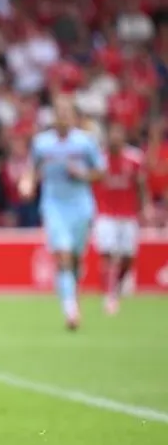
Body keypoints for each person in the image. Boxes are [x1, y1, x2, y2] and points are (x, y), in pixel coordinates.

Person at [19, 96, 105, 329]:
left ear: (74, 116)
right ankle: (70, 310)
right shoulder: (42, 143)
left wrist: (83, 175)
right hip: (54, 206)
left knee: (76, 259)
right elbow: (31, 170)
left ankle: (72, 294)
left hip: (81, 206)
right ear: (54, 116)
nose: (63, 116)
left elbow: (100, 171)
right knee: (64, 256)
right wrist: (27, 183)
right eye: (59, 112)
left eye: (67, 112)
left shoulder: (85, 142)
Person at [92, 123, 149, 315]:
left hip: (128, 215)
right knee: (107, 254)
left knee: (127, 258)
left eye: (118, 135)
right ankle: (109, 296)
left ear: (123, 137)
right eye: (112, 135)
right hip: (105, 214)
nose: (115, 139)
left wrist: (145, 206)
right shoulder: (99, 159)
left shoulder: (134, 158)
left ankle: (115, 289)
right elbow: (92, 182)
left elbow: (141, 184)